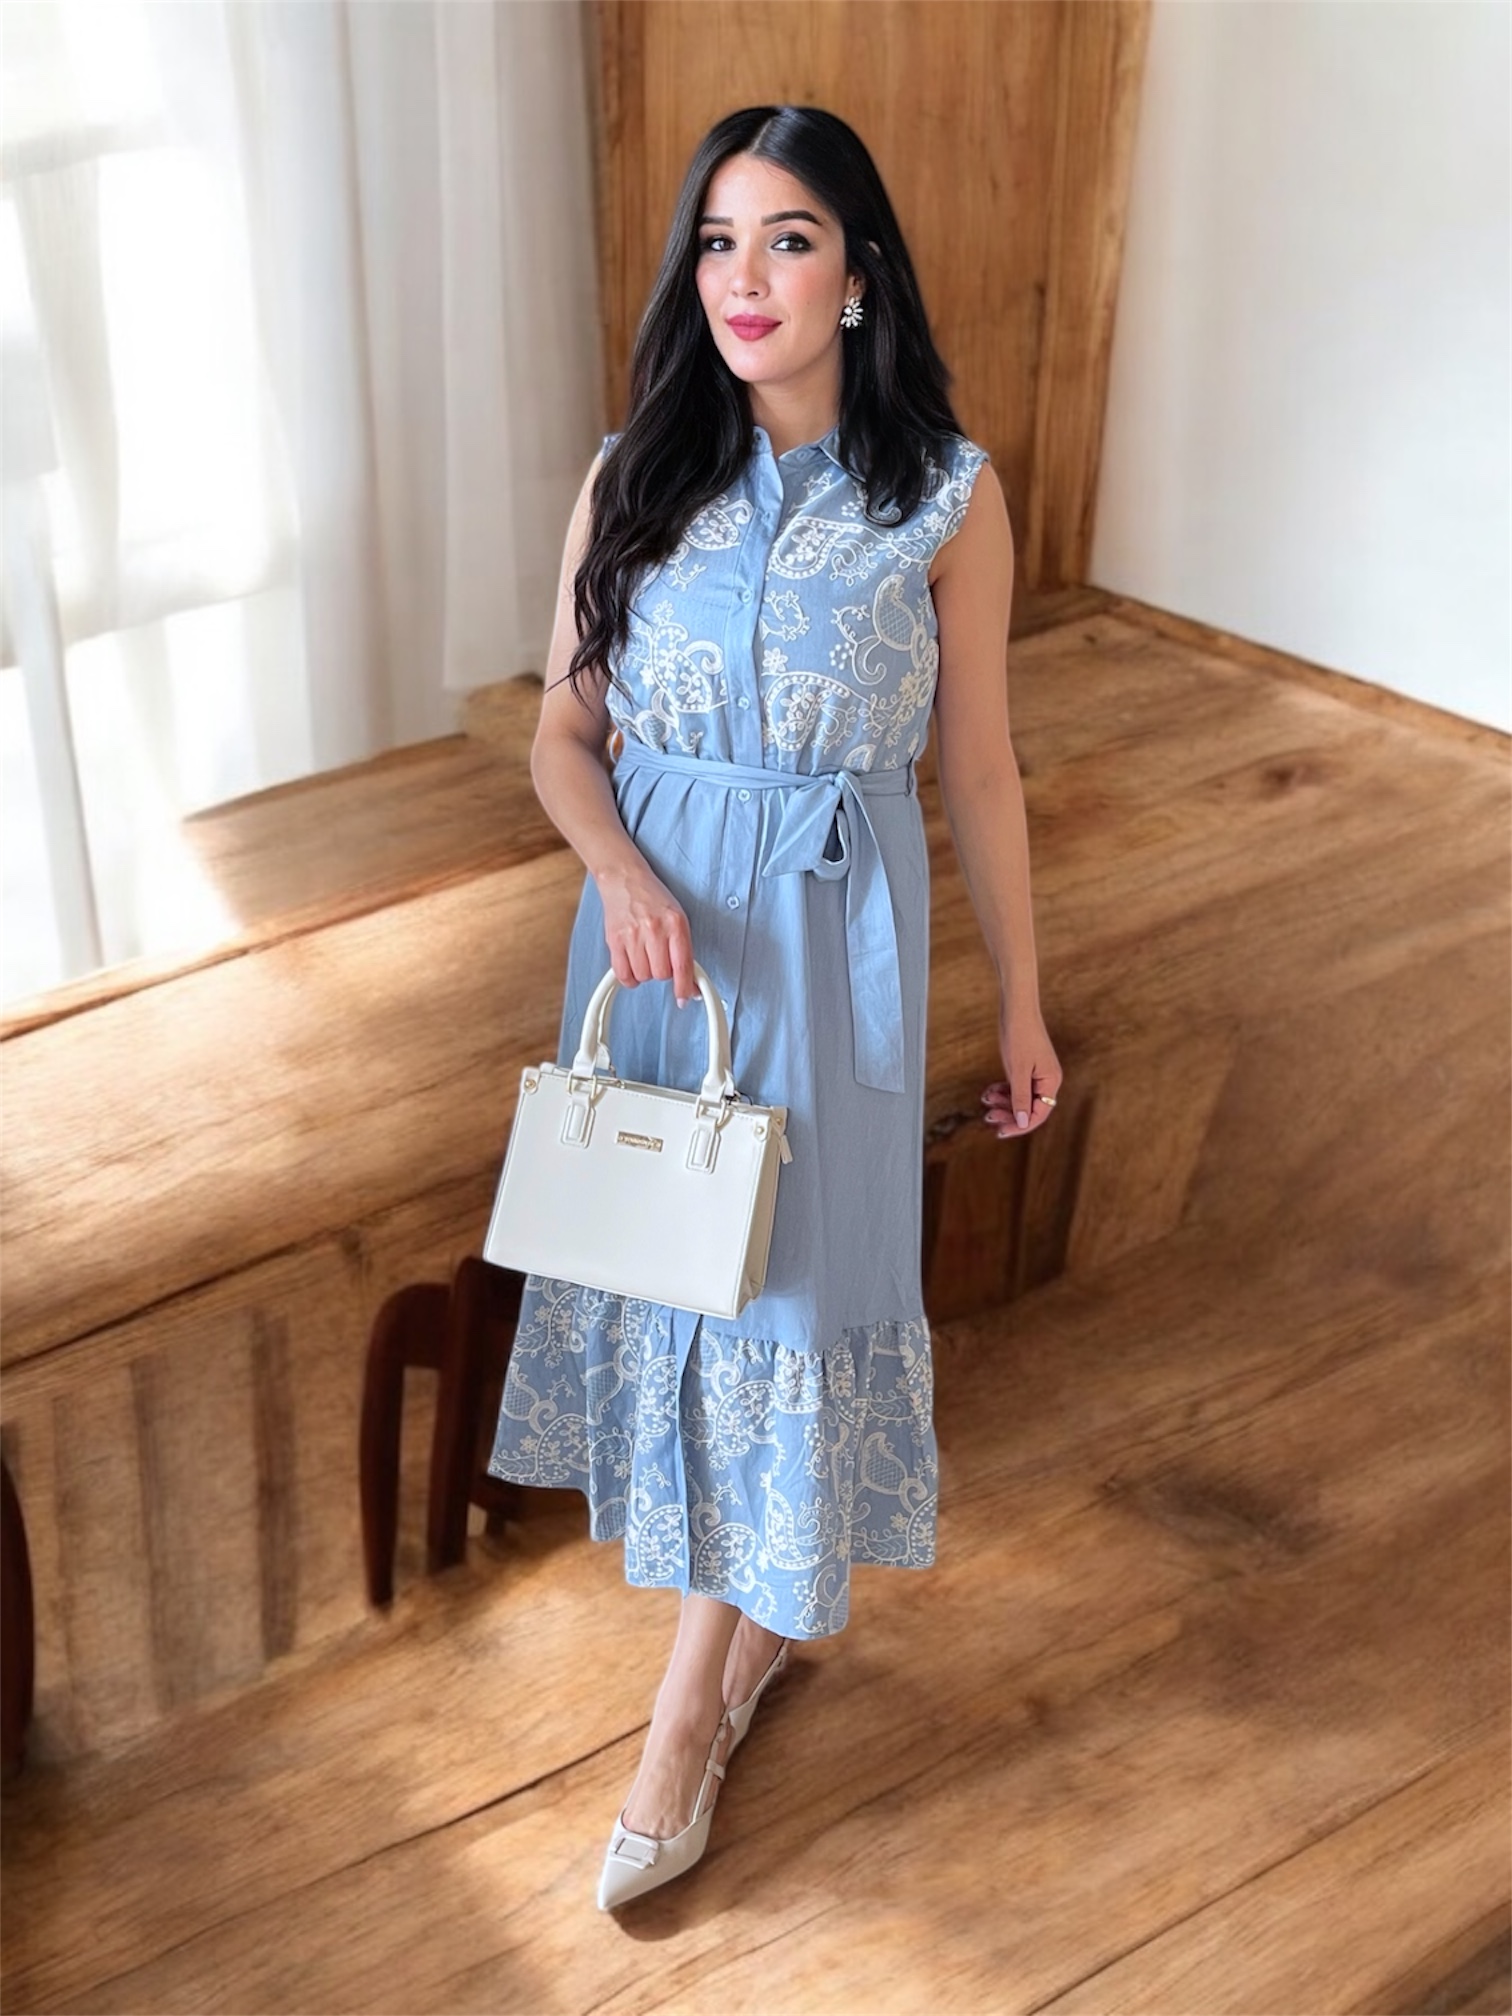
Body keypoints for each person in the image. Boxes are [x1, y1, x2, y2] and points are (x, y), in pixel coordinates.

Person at [485, 103, 1061, 1909]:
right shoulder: (633, 474)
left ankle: (684, 1719)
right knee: (676, 1273)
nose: (746, 278)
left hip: (825, 949)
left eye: (789, 239)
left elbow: (981, 771)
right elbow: (561, 731)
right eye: (720, 241)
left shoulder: (946, 499)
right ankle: (739, 1640)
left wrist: (1024, 1006)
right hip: (652, 950)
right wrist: (620, 871)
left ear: (859, 274)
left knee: (782, 1298)